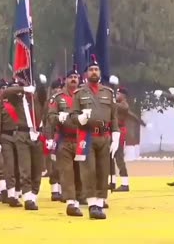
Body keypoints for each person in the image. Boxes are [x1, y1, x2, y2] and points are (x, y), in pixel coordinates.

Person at [71, 56, 119, 219]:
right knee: (89, 170)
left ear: (100, 72)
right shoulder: (79, 93)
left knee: (103, 170)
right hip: (87, 136)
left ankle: (99, 203)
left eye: (96, 69)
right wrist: (80, 119)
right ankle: (92, 204)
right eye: (91, 69)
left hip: (104, 136)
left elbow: (114, 116)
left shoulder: (108, 92)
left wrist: (116, 134)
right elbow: (72, 116)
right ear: (86, 74)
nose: (94, 72)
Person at [1, 74, 47, 210]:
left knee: (37, 168)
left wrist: (40, 83)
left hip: (37, 133)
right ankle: (27, 198)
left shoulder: (37, 97)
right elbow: (5, 92)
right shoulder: (17, 99)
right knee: (25, 167)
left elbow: (43, 93)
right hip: (22, 134)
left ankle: (33, 194)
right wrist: (22, 89)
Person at [47, 71, 85, 216]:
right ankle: (70, 202)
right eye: (71, 78)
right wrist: (59, 118)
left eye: (76, 77)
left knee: (81, 171)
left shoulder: (84, 96)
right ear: (66, 80)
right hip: (65, 139)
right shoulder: (58, 98)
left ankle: (80, 196)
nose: (74, 80)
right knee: (67, 172)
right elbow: (50, 117)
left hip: (81, 139)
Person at [0, 79, 23, 207]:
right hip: (6, 138)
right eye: (13, 87)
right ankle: (10, 195)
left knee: (19, 167)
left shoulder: (24, 103)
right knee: (9, 167)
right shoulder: (1, 105)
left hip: (21, 137)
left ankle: (17, 193)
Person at [111, 86, 146, 192]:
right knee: (111, 157)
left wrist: (108, 99)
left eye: (118, 94)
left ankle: (125, 184)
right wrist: (141, 122)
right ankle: (112, 181)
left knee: (119, 157)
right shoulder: (121, 105)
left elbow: (116, 107)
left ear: (123, 95)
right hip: (114, 131)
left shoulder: (123, 105)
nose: (116, 95)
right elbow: (132, 115)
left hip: (120, 132)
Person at [44, 78, 64, 202]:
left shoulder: (66, 100)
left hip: (64, 135)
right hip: (53, 134)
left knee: (63, 164)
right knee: (52, 164)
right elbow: (47, 121)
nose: (58, 89)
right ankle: (54, 190)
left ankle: (63, 190)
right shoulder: (49, 102)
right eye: (56, 87)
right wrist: (49, 138)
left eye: (60, 87)